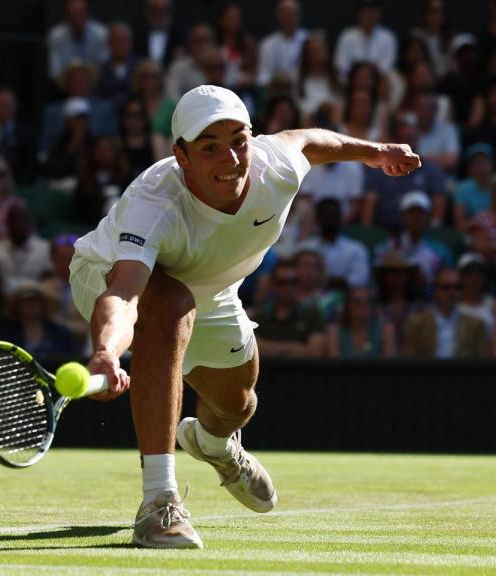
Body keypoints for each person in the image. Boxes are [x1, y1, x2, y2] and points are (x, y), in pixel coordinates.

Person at [68, 85, 421, 548]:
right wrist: (106, 353)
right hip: (108, 279)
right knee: (170, 307)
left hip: (211, 290)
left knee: (238, 403)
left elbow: (310, 141)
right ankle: (159, 502)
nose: (231, 158)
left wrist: (376, 153)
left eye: (239, 140)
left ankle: (214, 445)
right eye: (209, 148)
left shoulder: (274, 166)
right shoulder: (152, 206)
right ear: (181, 156)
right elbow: (126, 293)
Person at [363, 113, 447, 231]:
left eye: (411, 139)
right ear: (396, 141)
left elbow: (439, 203)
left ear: (417, 141)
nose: (408, 144)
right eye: (403, 139)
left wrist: (434, 230)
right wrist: (368, 231)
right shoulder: (379, 170)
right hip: (385, 230)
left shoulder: (432, 171)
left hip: (421, 232)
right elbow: (370, 201)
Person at [402, 267, 493, 358]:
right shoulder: (416, 323)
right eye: (445, 287)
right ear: (434, 290)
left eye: (457, 287)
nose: (452, 292)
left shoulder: (476, 325)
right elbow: (409, 359)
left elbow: (482, 363)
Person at [374, 191, 453, 283]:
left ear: (428, 217)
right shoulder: (385, 249)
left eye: (421, 212)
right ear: (402, 216)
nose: (416, 217)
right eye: (411, 212)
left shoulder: (441, 252)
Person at [254, 259, 327, 357]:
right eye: (282, 283)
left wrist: (269, 348)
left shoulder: (311, 315)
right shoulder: (260, 316)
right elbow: (252, 350)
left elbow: (315, 352)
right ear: (273, 285)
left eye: (293, 282)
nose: (288, 287)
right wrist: (293, 348)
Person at [299, 198, 371, 288]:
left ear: (341, 217)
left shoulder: (356, 249)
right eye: (326, 215)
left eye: (333, 215)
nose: (330, 219)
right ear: (317, 219)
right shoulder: (306, 247)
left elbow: (360, 280)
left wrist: (322, 281)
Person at [0, 203, 52, 293]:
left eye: (25, 219)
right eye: (16, 220)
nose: (21, 224)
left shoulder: (45, 250)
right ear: (7, 223)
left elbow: (49, 280)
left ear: (33, 223)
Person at [3, 280, 79, 356]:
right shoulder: (8, 334)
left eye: (35, 300)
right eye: (26, 301)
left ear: (43, 303)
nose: (31, 304)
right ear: (17, 305)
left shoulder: (60, 332)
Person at [73, 136, 132, 226]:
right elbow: (79, 211)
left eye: (107, 149)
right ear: (93, 153)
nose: (104, 154)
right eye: (100, 150)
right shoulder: (84, 179)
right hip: (90, 228)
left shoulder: (126, 177)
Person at [0, 87, 37, 185]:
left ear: (15, 107)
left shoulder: (27, 135)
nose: (3, 109)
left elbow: (31, 167)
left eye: (7, 105)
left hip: (18, 186)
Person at [333, 0, 398, 79]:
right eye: (366, 12)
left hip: (378, 80)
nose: (369, 15)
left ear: (379, 14)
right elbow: (341, 64)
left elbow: (387, 66)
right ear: (359, 14)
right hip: (351, 81)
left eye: (372, 12)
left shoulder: (388, 37)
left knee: (393, 78)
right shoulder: (347, 36)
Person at [327, 285, 396, 358]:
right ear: (348, 306)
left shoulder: (386, 331)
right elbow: (335, 367)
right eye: (357, 301)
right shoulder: (335, 333)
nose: (363, 304)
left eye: (368, 300)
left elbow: (390, 366)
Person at [46, 0, 108, 79]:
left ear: (87, 14)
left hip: (96, 83)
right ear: (67, 16)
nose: (77, 18)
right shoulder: (56, 36)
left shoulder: (101, 34)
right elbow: (55, 70)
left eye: (80, 13)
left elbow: (105, 66)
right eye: (73, 14)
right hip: (65, 84)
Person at [456, 252, 496, 350]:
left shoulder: (495, 305)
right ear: (460, 277)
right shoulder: (453, 305)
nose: (474, 278)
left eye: (478, 274)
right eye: (469, 274)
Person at [257, 0, 307, 88]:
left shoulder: (308, 41)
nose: (289, 18)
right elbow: (262, 78)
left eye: (292, 14)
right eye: (285, 14)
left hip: (304, 91)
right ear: (278, 16)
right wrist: (276, 80)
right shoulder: (267, 44)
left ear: (298, 15)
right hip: (277, 93)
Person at [164, 24, 216, 102]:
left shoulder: (220, 65)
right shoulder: (178, 67)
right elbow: (172, 96)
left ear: (213, 43)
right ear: (190, 44)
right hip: (186, 112)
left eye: (204, 40)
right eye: (196, 41)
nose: (201, 45)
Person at [98, 22, 141, 112]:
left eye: (124, 40)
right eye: (117, 41)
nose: (121, 45)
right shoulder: (101, 71)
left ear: (131, 43)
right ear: (109, 44)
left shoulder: (140, 67)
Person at [452, 143, 495, 232]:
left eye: (484, 161)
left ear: (492, 164)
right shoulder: (462, 189)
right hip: (473, 233)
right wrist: (481, 221)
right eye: (476, 162)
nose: (481, 166)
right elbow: (460, 225)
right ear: (470, 167)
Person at [132, 0, 181, 67]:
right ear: (147, 11)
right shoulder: (138, 34)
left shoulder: (178, 34)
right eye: (154, 10)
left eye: (163, 10)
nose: (159, 14)